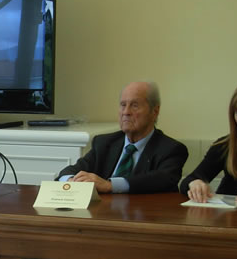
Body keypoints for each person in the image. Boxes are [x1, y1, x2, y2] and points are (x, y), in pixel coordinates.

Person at [56, 81, 188, 193]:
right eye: (123, 105)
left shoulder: (171, 149)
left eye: (134, 105)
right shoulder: (104, 143)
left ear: (155, 111)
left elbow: (160, 179)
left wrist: (110, 185)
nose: (126, 112)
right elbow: (71, 170)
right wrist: (72, 181)